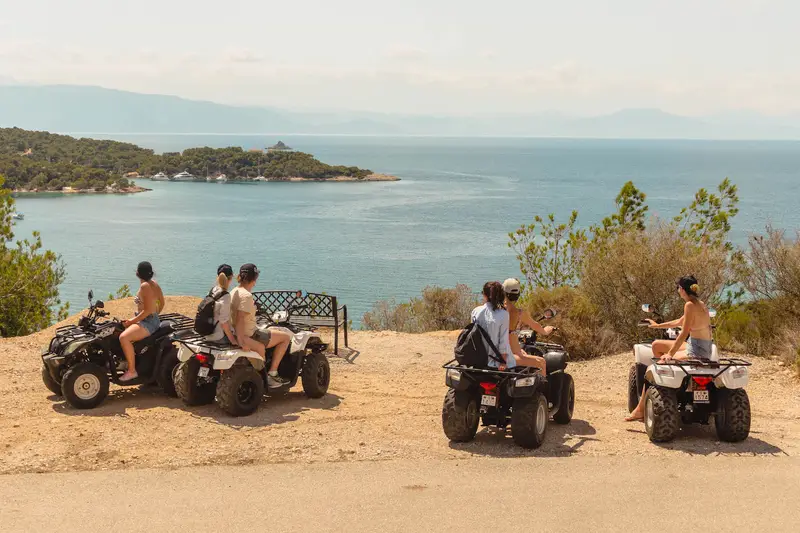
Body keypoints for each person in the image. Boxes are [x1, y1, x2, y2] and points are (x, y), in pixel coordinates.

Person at [625, 275, 713, 422]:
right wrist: (657, 326)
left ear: (683, 290)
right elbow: (680, 321)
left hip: (696, 350)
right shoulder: (699, 303)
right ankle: (667, 386)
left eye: (678, 288)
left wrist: (670, 354)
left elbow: (684, 332)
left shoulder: (689, 305)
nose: (678, 290)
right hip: (700, 345)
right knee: (657, 345)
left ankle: (640, 409)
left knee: (653, 367)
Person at [230, 263, 293, 388]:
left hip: (236, 331)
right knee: (285, 337)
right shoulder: (246, 295)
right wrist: (241, 340)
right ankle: (272, 374)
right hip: (250, 334)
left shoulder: (234, 291)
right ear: (254, 279)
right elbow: (240, 318)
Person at [119, 261, 165, 382]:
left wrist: (131, 321)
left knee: (124, 338)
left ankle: (132, 371)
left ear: (137, 273)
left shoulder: (145, 286)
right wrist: (155, 314)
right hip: (149, 319)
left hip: (147, 322)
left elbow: (148, 310)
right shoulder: (154, 284)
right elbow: (162, 302)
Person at [503, 278, 553, 375]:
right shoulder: (519, 313)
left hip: (497, 355)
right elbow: (535, 325)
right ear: (518, 295)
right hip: (510, 357)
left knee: (523, 352)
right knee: (541, 362)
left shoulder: (496, 311)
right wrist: (546, 331)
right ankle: (542, 385)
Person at [471, 281, 514, 369]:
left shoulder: (475, 311)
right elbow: (503, 341)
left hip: (477, 359)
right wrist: (503, 362)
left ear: (484, 295)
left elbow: (472, 335)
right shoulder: (503, 314)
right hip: (495, 362)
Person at [205, 264, 238, 345]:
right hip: (219, 337)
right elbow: (224, 323)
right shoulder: (225, 296)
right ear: (231, 278)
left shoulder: (212, 290)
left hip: (207, 332)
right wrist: (233, 341)